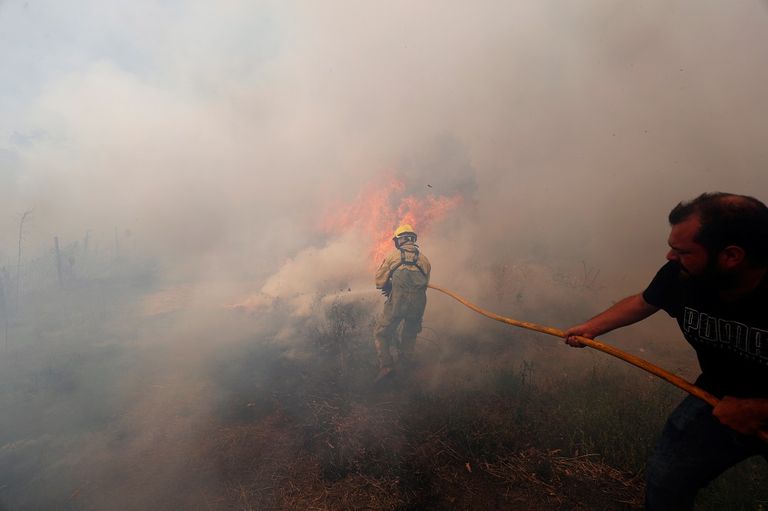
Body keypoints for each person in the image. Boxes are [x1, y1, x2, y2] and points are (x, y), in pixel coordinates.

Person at [564, 192, 768, 510]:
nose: (670, 256)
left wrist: (759, 408)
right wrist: (592, 327)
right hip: (716, 397)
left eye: (683, 251)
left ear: (731, 256)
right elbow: (645, 301)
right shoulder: (682, 275)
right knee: (667, 479)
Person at [373, 224, 431, 381]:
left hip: (397, 303)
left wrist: (390, 286)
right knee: (409, 335)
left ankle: (386, 366)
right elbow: (425, 284)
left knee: (381, 333)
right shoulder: (425, 260)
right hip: (418, 306)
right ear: (413, 239)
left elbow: (379, 281)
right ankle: (405, 370)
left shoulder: (393, 256)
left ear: (400, 240)